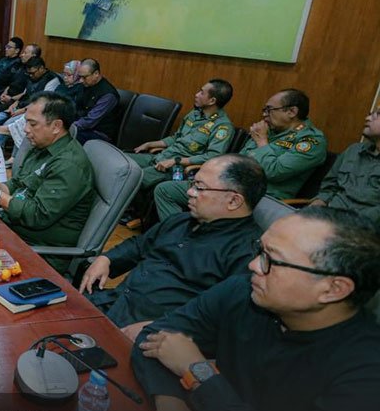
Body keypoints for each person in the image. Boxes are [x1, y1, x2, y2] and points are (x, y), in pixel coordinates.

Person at [132, 207, 380, 411]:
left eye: (272, 260)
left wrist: (197, 370)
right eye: (259, 250)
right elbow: (154, 336)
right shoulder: (244, 292)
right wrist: (171, 405)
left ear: (333, 289)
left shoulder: (367, 373)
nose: (253, 265)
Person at [81, 154, 265, 332]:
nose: (189, 192)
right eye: (192, 184)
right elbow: (139, 245)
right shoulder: (181, 220)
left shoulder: (247, 253)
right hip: (113, 303)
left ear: (233, 200)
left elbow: (224, 319)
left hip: (148, 332)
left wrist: (165, 329)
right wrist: (107, 259)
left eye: (199, 188)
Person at [0, 92, 94, 274]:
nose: (26, 129)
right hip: (13, 231)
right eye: (26, 122)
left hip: (38, 253)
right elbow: (18, 185)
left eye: (32, 124)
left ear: (56, 126)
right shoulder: (42, 148)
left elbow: (37, 215)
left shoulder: (70, 165)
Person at [155, 88, 327, 219]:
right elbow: (241, 159)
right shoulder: (269, 129)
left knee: (205, 203)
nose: (264, 115)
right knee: (166, 190)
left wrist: (262, 142)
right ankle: (178, 237)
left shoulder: (311, 141)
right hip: (228, 185)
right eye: (264, 110)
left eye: (269, 110)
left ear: (291, 112)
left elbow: (275, 171)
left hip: (258, 197)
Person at [130, 79, 235, 191]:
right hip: (161, 157)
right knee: (122, 164)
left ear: (212, 101)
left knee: (130, 179)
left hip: (176, 169)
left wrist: (176, 161)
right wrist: (150, 144)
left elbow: (212, 156)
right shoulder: (194, 114)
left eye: (202, 93)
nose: (196, 95)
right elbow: (176, 137)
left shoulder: (223, 126)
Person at [309, 105, 380, 223]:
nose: (367, 118)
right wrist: (319, 202)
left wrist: (349, 224)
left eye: (377, 114)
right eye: (370, 114)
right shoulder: (354, 150)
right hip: (327, 217)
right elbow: (330, 185)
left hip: (362, 227)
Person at [0, 57, 62, 147]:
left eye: (32, 73)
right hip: (19, 107)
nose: (30, 76)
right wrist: (14, 104)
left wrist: (22, 110)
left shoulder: (52, 80)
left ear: (41, 68)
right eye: (28, 73)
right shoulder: (31, 77)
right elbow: (25, 94)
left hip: (32, 111)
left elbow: (42, 103)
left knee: (8, 125)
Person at [72, 58, 121, 144]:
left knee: (63, 135)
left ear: (96, 74)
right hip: (82, 126)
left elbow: (90, 121)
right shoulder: (84, 85)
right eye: (80, 77)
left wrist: (70, 126)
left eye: (84, 77)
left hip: (99, 133)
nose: (81, 80)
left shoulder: (108, 94)